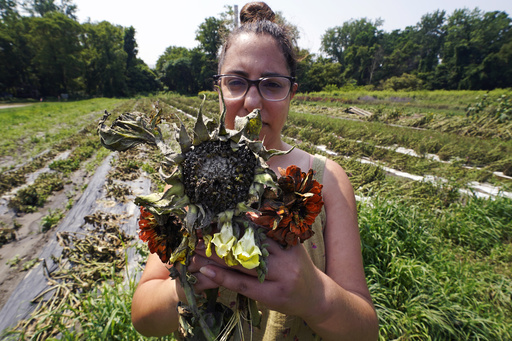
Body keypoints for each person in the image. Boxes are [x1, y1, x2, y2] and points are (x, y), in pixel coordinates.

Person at [131, 2, 379, 340]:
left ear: (292, 92)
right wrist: (184, 285)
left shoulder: (326, 181)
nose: (252, 102)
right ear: (218, 87)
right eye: (236, 82)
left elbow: (364, 331)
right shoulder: (191, 180)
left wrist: (315, 297)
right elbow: (144, 319)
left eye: (272, 84)